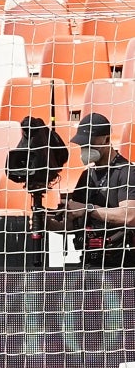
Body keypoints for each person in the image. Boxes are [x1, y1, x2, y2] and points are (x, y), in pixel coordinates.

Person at [50, 112, 135, 268]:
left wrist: (87, 209)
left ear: (106, 139)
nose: (85, 148)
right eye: (82, 144)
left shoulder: (127, 172)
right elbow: (72, 224)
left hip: (122, 263)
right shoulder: (87, 176)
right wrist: (47, 223)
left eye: (89, 143)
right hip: (89, 261)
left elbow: (129, 216)